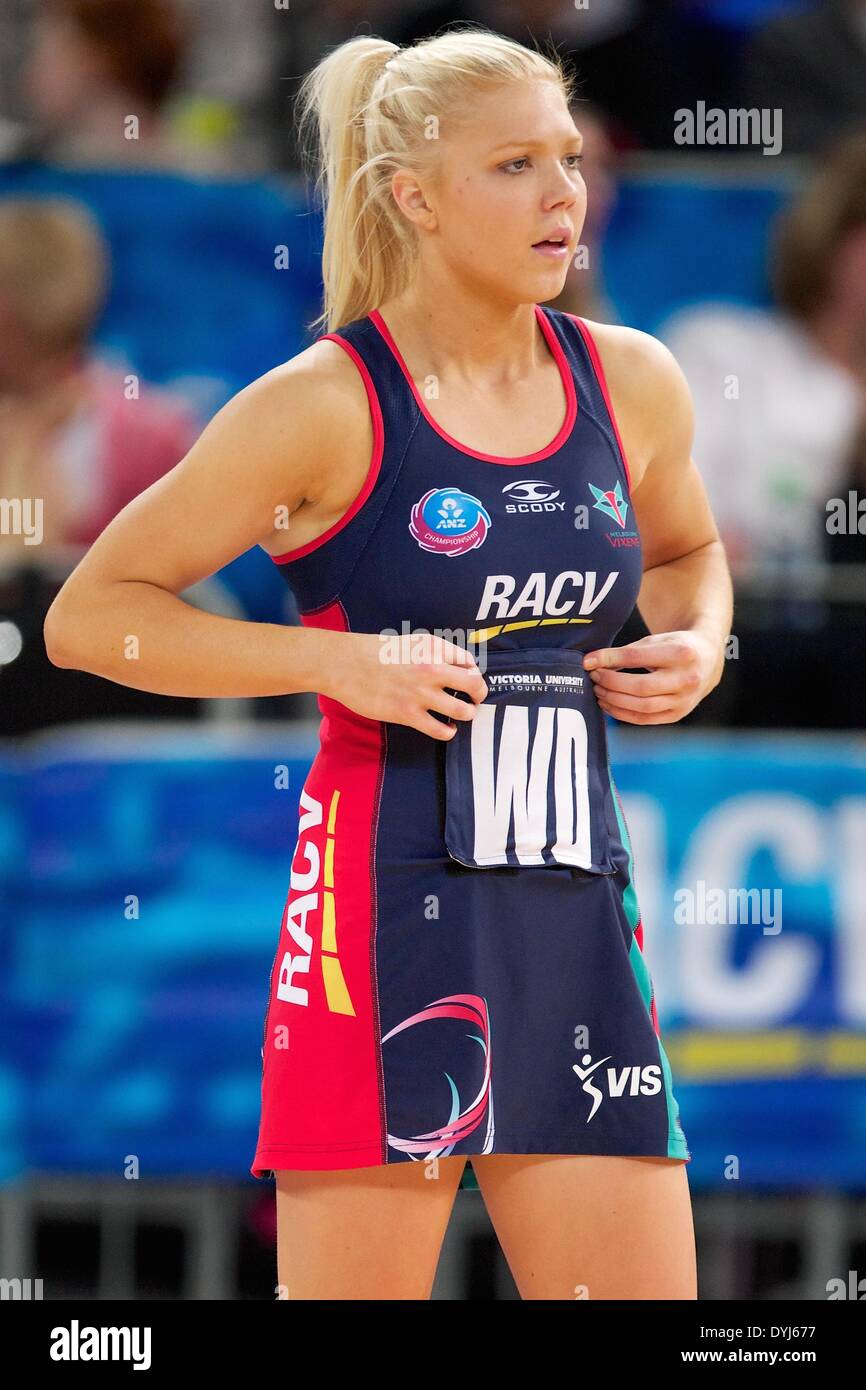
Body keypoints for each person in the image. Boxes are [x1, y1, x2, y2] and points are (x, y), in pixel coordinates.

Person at [44, 26, 732, 1300]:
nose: (562, 196)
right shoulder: (320, 402)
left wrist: (694, 638)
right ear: (412, 196)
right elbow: (92, 618)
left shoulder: (629, 382)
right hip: (377, 925)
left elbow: (686, 549)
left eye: (567, 160)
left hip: (571, 915)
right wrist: (337, 665)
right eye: (515, 165)